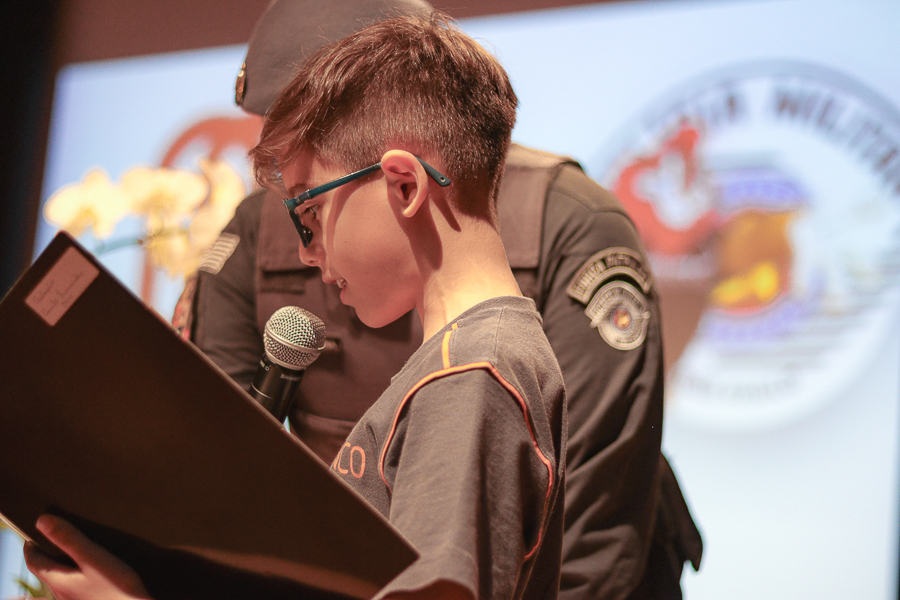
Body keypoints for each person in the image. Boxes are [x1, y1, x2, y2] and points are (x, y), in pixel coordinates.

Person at [26, 13, 566, 600]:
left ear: (405, 186)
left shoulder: (469, 374)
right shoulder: (475, 360)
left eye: (308, 212)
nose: (308, 253)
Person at [173, 1, 702, 598]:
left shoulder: (484, 349)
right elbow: (219, 459)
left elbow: (591, 530)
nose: (307, 247)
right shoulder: (259, 233)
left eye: (310, 199)